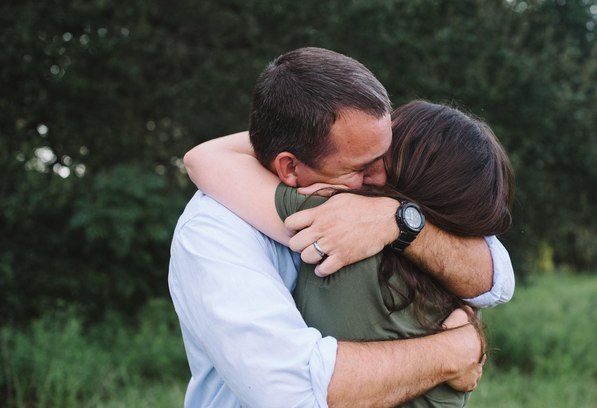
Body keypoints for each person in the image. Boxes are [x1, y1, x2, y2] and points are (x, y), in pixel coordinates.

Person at [170, 47, 514, 407]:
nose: (379, 177)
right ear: (289, 167)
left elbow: (497, 275)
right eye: (362, 166)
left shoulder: (384, 216)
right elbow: (291, 393)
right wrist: (457, 349)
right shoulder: (213, 229)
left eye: (386, 155)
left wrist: (398, 221)